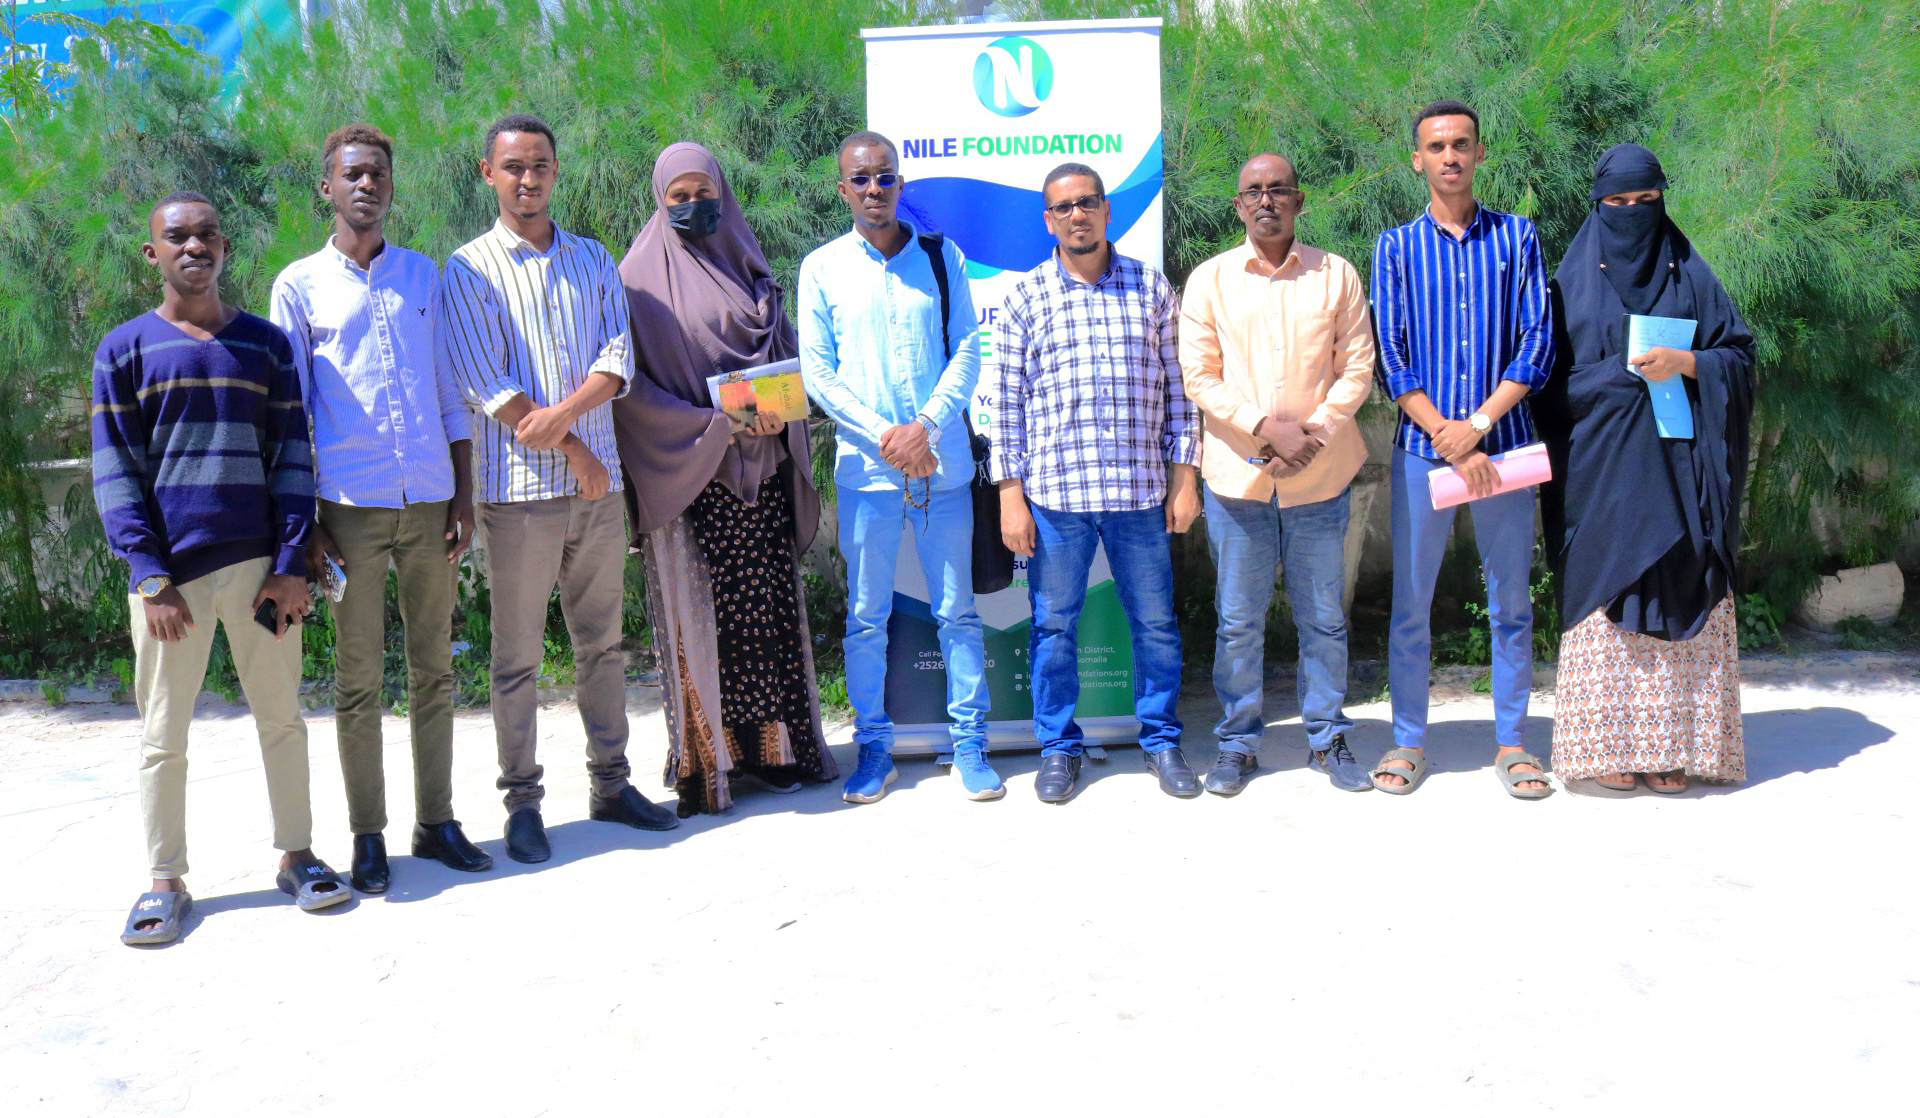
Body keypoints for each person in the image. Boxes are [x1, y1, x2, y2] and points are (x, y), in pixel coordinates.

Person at [95, 191, 343, 945]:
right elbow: (115, 472)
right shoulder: (124, 350)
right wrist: (149, 577)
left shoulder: (265, 346)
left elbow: (292, 456)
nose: (194, 246)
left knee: (282, 719)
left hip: (262, 572)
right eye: (177, 237)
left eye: (207, 234)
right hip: (171, 582)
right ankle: (164, 880)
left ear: (225, 247)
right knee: (163, 734)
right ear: (153, 254)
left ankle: (297, 856)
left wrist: (292, 564)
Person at [440, 113, 678, 863]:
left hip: (595, 487)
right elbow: (484, 380)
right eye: (513, 166)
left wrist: (568, 422)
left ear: (554, 170)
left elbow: (617, 354)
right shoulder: (468, 268)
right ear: (488, 174)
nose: (528, 178)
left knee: (601, 646)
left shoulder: (591, 258)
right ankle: (523, 803)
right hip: (518, 493)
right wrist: (570, 444)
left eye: (540, 164)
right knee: (516, 657)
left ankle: (611, 784)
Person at [270, 124, 493, 892]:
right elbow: (290, 413)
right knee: (359, 677)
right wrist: (305, 525)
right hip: (348, 511)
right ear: (327, 188)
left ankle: (436, 823)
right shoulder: (299, 286)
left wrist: (463, 490)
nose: (367, 185)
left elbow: (448, 389)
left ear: (391, 186)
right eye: (353, 174)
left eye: (378, 174)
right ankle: (368, 836)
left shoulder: (422, 276)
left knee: (435, 668)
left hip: (429, 501)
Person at [612, 142, 837, 817]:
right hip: (689, 475)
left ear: (723, 195)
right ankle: (711, 760)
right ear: (660, 201)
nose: (692, 207)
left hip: (759, 473)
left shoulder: (748, 266)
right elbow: (629, 388)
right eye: (677, 198)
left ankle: (775, 750)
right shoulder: (635, 282)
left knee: (762, 611)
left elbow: (786, 362)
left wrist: (774, 414)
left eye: (703, 194)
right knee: (703, 619)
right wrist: (712, 429)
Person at [1537, 144, 1755, 793]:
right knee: (1607, 591)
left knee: (1682, 581)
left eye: (1645, 200)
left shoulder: (1690, 275)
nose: (1632, 211)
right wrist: (1617, 376)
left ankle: (1670, 749)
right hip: (1601, 473)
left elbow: (1738, 355)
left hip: (1680, 468)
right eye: (1617, 201)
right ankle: (1607, 748)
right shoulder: (1569, 285)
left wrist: (1688, 364)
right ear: (1597, 204)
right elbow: (1543, 385)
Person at [991, 162, 1202, 804]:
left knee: (1156, 624)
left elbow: (1181, 391)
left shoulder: (1150, 286)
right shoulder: (1026, 298)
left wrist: (1185, 477)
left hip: (1140, 494)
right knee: (1054, 627)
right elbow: (1005, 404)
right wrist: (1009, 496)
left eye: (1087, 203)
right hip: (1057, 499)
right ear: (1048, 220)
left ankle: (1161, 740)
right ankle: (1058, 747)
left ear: (1107, 210)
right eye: (1063, 207)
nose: (1076, 215)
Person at [799, 130, 998, 804]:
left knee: (958, 613)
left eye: (885, 177)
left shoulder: (941, 258)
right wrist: (889, 437)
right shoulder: (821, 268)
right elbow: (819, 374)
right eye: (860, 179)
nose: (874, 189)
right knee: (866, 618)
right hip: (868, 474)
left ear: (900, 184)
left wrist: (927, 428)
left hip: (942, 470)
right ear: (842, 189)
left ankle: (969, 744)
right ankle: (874, 748)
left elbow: (967, 350)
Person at [1369, 100, 1555, 799]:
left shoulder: (1518, 237)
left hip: (1505, 449)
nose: (1450, 156)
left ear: (1480, 153)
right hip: (1424, 452)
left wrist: (1476, 425)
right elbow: (1391, 355)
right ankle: (1408, 741)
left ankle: (1513, 743)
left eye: (1461, 144)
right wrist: (1446, 435)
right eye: (1437, 146)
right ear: (1417, 159)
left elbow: (1537, 341)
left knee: (1511, 602)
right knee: (1411, 605)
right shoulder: (1395, 247)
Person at [1179, 153, 1376, 796]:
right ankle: (1237, 743)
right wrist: (1268, 429)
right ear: (1239, 205)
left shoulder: (1335, 275)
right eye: (1254, 191)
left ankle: (1327, 738)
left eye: (1278, 190)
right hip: (1239, 481)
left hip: (1320, 475)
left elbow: (1357, 368)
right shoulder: (1209, 280)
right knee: (1238, 622)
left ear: (1298, 200)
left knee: (1323, 618)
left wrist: (1311, 434)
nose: (1266, 200)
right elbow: (1199, 376)